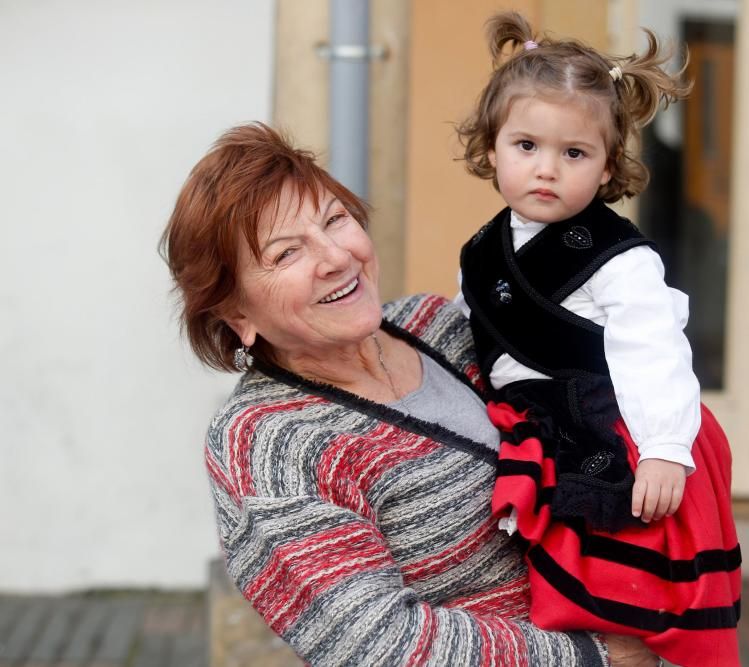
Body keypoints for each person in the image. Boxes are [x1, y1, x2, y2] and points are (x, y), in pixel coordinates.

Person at [161, 122, 662, 666]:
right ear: (237, 315)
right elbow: (380, 646)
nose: (335, 257)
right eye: (286, 254)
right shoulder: (269, 441)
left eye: (335, 219)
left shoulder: (437, 324)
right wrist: (593, 659)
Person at [455, 12, 741, 666]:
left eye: (574, 153)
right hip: (535, 423)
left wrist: (666, 448)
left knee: (630, 600)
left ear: (608, 164)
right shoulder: (480, 250)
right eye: (526, 146)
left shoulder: (620, 258)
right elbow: (471, 328)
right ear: (490, 147)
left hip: (620, 429)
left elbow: (655, 351)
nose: (546, 169)